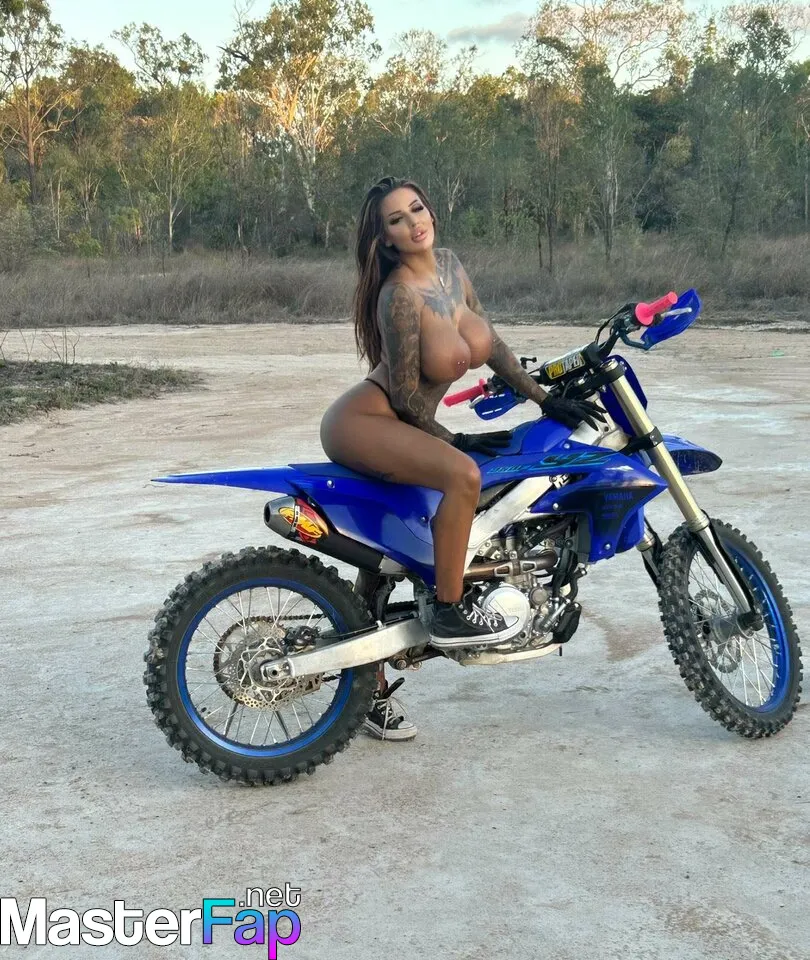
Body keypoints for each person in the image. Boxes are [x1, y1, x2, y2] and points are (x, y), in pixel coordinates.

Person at [320, 176, 602, 741]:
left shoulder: (450, 267)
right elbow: (405, 396)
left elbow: (492, 344)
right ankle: (448, 612)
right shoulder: (398, 296)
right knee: (463, 476)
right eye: (396, 220)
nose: (412, 223)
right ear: (385, 238)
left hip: (402, 422)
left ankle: (366, 686)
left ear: (431, 211)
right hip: (366, 422)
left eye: (416, 209)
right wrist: (454, 440)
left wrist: (545, 398)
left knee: (389, 554)